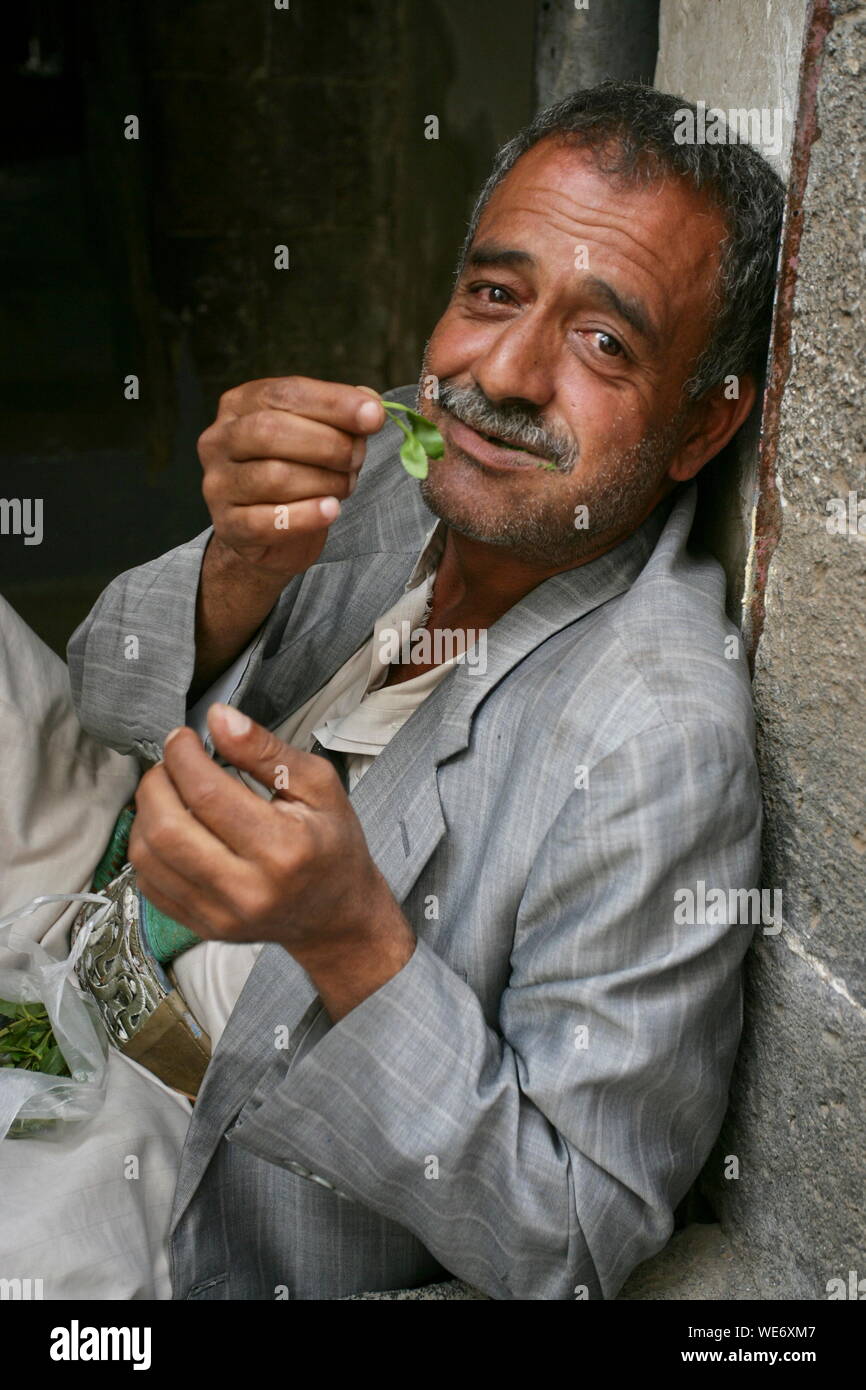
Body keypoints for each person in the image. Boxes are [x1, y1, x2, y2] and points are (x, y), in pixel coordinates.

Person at [0, 81, 784, 1300]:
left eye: (604, 342)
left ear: (698, 428)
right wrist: (237, 567)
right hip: (84, 920)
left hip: (185, 1158)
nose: (505, 373)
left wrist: (348, 938)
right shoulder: (402, 459)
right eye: (493, 293)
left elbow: (570, 1243)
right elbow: (105, 698)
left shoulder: (653, 736)